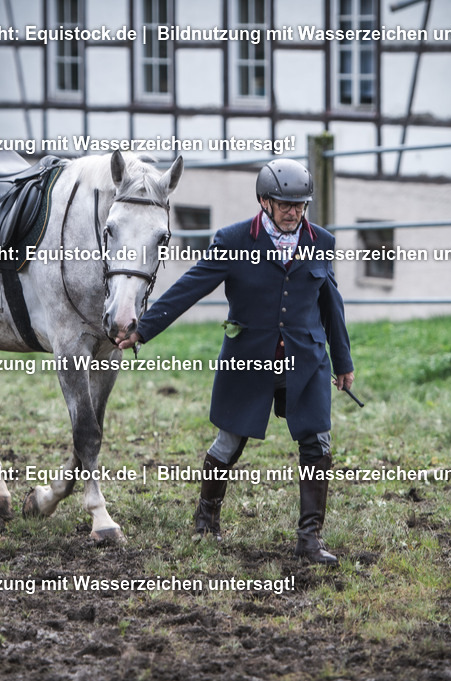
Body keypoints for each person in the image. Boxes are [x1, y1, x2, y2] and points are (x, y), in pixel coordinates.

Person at [116, 158, 355, 564]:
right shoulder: (233, 240)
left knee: (317, 443)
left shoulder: (322, 242)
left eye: (300, 205)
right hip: (249, 359)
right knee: (229, 440)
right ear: (264, 201)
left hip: (306, 361)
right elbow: (190, 286)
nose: (293, 213)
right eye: (285, 205)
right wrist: (144, 327)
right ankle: (206, 521)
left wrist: (343, 362)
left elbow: (331, 304)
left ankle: (310, 540)